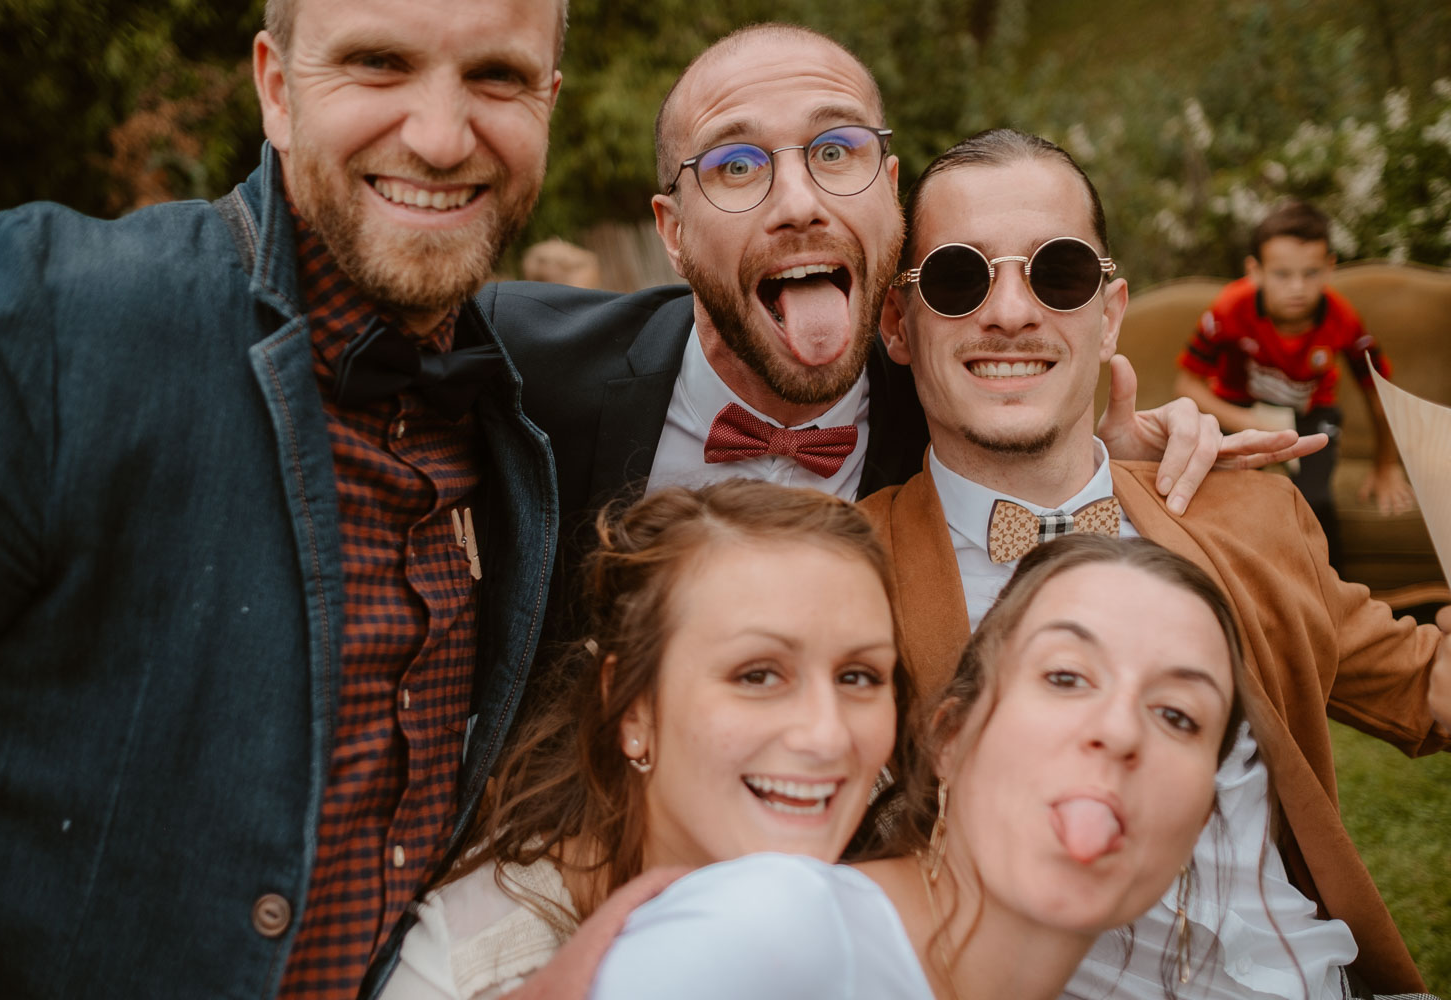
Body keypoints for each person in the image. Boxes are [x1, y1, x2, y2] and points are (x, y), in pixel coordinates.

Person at [0, 1, 568, 996]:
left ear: (548, 102)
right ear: (276, 89)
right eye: (378, 63)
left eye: (496, 77)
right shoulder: (68, 325)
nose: (442, 137)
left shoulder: (508, 426)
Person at [865, 128, 1451, 997]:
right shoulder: (849, 574)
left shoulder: (1248, 512)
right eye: (959, 277)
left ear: (1108, 316)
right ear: (899, 326)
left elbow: (1427, 687)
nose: (1012, 311)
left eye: (1057, 272)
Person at [477, 23, 1319, 614]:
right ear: (672, 231)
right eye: (736, 166)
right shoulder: (518, 359)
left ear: (890, 191)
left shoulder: (958, 395)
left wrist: (1104, 466)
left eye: (837, 151)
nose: (799, 204)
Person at [587, 534, 1249, 1000]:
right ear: (950, 739)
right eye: (1068, 677)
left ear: (1201, 817)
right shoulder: (770, 931)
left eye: (1178, 716)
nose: (1119, 729)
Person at [378, 478, 913, 999]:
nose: (826, 736)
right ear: (633, 710)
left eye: (858, 677)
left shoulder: (912, 888)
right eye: (757, 675)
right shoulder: (478, 973)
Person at [1174, 199, 1415, 567]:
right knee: (1220, 497)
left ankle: (1336, 601)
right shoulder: (1228, 309)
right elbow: (1187, 385)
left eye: (1311, 273)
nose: (1298, 288)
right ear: (1255, 271)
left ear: (1330, 268)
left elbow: (1379, 392)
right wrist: (1246, 423)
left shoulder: (1343, 320)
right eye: (1282, 274)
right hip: (1239, 409)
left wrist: (1386, 464)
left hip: (1310, 414)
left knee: (1314, 503)